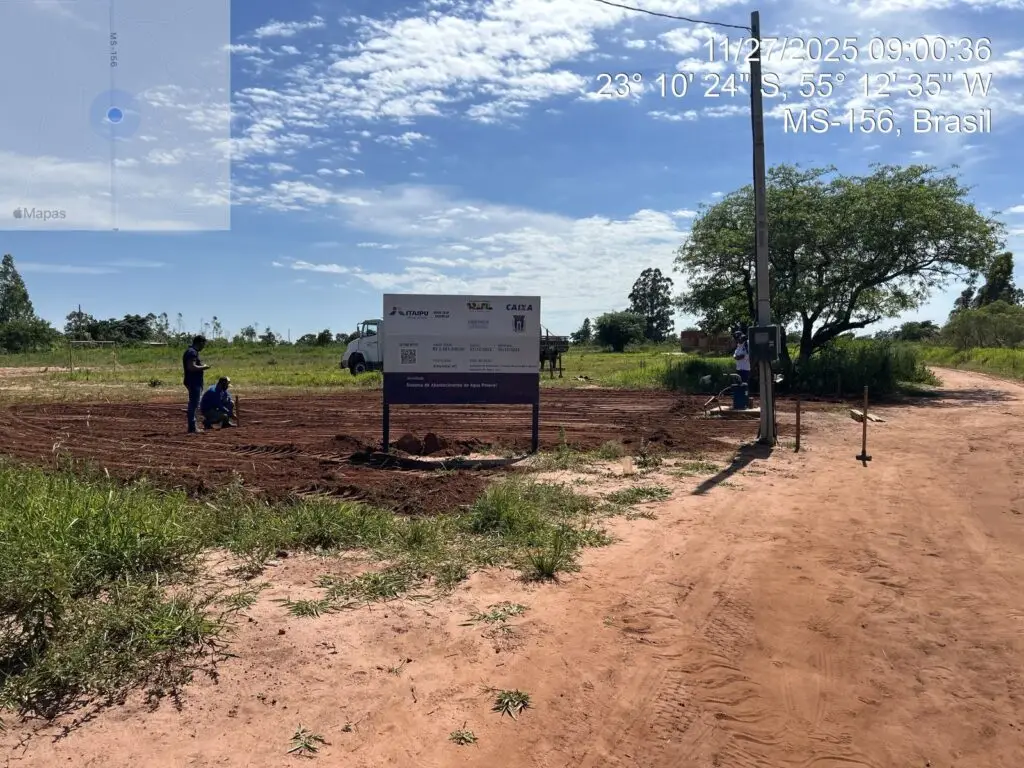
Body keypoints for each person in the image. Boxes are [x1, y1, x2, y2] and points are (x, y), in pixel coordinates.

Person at [183, 334, 211, 433]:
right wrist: (204, 367)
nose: (204, 347)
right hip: (193, 381)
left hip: (193, 381)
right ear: (200, 342)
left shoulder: (191, 352)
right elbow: (191, 367)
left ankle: (193, 426)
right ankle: (192, 427)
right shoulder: (192, 353)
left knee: (194, 404)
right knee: (194, 404)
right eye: (204, 344)